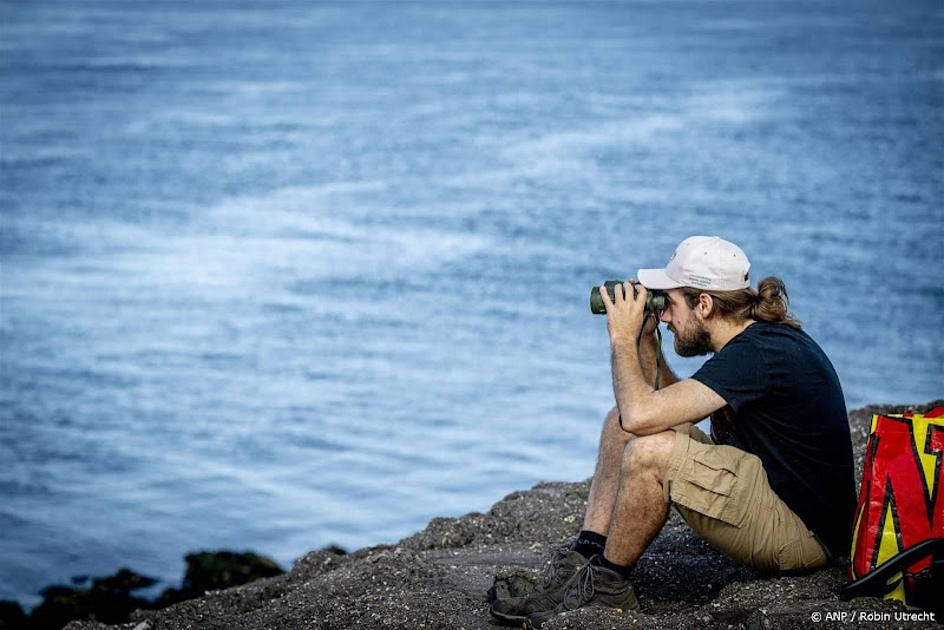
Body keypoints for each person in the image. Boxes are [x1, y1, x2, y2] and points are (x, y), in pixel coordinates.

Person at [489, 235, 856, 629]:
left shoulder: (757, 356)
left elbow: (642, 415)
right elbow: (659, 407)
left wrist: (620, 338)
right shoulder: (749, 341)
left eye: (671, 303)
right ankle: (588, 556)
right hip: (771, 491)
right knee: (620, 425)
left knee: (651, 453)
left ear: (704, 304)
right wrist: (646, 340)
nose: (664, 315)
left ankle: (608, 586)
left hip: (802, 536)